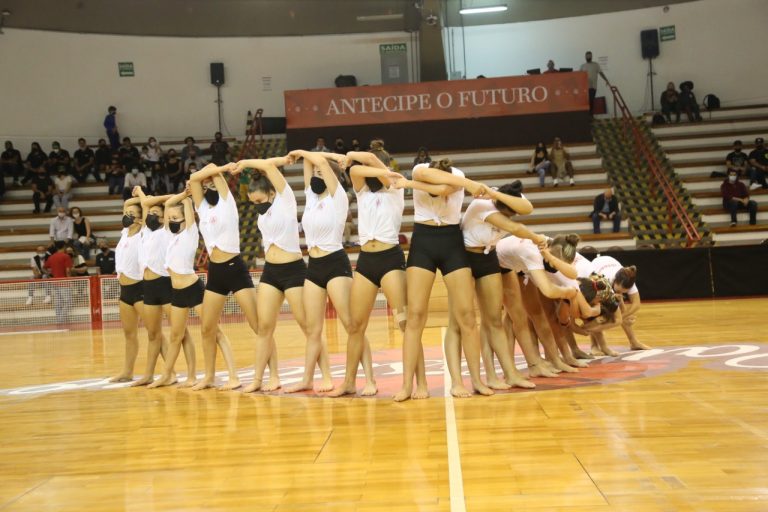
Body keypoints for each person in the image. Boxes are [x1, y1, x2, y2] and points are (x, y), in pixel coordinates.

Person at [392, 158, 494, 401]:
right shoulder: (420, 169)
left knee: (467, 315)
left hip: (451, 242)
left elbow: (445, 188)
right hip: (423, 241)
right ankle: (408, 385)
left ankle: (476, 380)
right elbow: (435, 181)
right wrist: (467, 184)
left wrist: (411, 184)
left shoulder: (457, 174)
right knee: (415, 315)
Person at [448, 181, 544, 391]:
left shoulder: (509, 196)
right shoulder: (481, 205)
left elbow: (528, 208)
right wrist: (537, 238)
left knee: (493, 320)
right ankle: (482, 377)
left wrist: (494, 193)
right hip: (463, 256)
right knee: (462, 321)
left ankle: (510, 374)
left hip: (488, 255)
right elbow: (514, 228)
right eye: (505, 213)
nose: (509, 216)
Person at [328, 147, 407, 397]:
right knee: (355, 326)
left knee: (405, 324)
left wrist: (351, 154)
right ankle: (350, 382)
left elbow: (370, 160)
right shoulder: (362, 190)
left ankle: (412, 383)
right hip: (366, 261)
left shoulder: (396, 186)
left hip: (390, 258)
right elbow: (357, 170)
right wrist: (355, 161)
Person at [278, 149, 352, 394]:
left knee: (351, 325)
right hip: (314, 265)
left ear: (333, 176)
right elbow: (310, 164)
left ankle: (367, 379)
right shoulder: (311, 195)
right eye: (315, 174)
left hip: (335, 262)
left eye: (322, 173)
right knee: (313, 329)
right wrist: (305, 158)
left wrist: (301, 152)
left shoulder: (338, 197)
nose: (316, 176)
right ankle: (307, 379)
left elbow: (318, 161)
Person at [234, 156, 309, 393]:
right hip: (270, 271)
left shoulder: (286, 200)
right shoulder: (262, 213)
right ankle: (261, 378)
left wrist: (245, 163)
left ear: (272, 193)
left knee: (308, 326)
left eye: (259, 200)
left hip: (293, 269)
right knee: (264, 327)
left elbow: (268, 166)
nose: (257, 205)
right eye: (253, 202)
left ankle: (322, 375)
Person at [148, 188, 236, 389]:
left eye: (175, 218)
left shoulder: (190, 232)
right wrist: (181, 194)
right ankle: (169, 375)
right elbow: (168, 204)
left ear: (185, 219)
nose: (171, 221)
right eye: (169, 218)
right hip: (177, 292)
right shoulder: (169, 235)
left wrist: (187, 197)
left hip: (193, 289)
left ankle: (233, 375)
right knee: (175, 336)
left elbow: (185, 206)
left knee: (215, 332)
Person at [188, 162, 257, 391]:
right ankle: (209, 376)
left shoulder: (228, 203)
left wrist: (218, 170)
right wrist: (205, 177)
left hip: (235, 267)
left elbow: (211, 168)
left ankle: (272, 374)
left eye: (212, 184)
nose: (209, 188)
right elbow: (195, 177)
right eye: (206, 186)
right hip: (215, 271)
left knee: (258, 325)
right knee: (207, 328)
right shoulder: (202, 209)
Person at [109, 196, 145, 382]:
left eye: (132, 214)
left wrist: (143, 197)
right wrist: (136, 195)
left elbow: (145, 207)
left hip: (140, 288)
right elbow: (126, 204)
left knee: (154, 333)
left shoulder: (144, 233)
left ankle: (169, 372)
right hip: (124, 290)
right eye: (126, 213)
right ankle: (127, 371)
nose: (127, 216)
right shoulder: (125, 232)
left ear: (140, 218)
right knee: (129, 334)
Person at [588, 256, 649, 352]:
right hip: (596, 269)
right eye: (618, 290)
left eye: (624, 292)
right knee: (596, 311)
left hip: (609, 263)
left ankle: (634, 342)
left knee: (622, 312)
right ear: (615, 280)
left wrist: (625, 315)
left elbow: (636, 304)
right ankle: (594, 346)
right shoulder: (604, 280)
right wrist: (621, 316)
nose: (620, 293)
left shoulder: (629, 280)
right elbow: (606, 311)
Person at [43, 241, 74, 324]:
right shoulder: (66, 256)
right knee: (69, 302)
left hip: (55, 282)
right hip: (64, 282)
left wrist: (49, 275)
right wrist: (70, 281)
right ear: (64, 247)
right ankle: (61, 319)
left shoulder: (51, 257)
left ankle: (59, 320)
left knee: (58, 302)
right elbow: (68, 271)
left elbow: (44, 268)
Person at [579, 51, 607, 115]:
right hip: (585, 87)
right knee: (586, 102)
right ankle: (587, 115)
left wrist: (606, 80)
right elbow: (579, 75)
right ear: (585, 57)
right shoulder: (582, 66)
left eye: (589, 56)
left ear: (591, 57)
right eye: (587, 56)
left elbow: (600, 73)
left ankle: (591, 115)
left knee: (591, 100)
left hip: (593, 86)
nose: (588, 57)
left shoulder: (595, 65)